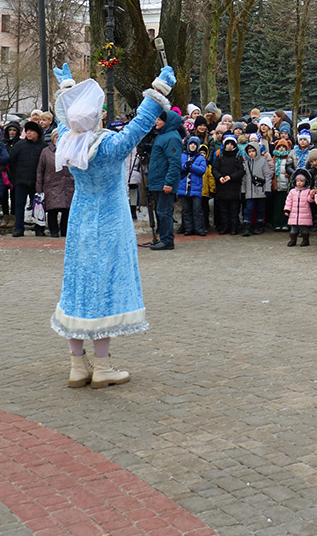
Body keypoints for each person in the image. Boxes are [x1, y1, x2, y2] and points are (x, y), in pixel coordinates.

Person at [49, 62, 175, 389]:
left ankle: (78, 366)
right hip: (110, 222)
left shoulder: (68, 140)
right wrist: (159, 88)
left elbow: (65, 120)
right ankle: (102, 368)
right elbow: (142, 122)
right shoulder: (109, 147)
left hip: (80, 221)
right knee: (104, 288)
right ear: (97, 116)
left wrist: (67, 88)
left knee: (77, 284)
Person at [147, 109, 184, 250]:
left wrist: (169, 182)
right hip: (159, 180)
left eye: (160, 119)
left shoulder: (171, 137)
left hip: (164, 182)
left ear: (167, 122)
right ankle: (163, 238)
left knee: (164, 211)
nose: (157, 121)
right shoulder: (163, 136)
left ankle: (167, 240)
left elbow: (174, 162)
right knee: (160, 211)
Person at [8, 121, 46, 237]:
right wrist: (14, 178)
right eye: (27, 131)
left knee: (38, 205)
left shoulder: (43, 147)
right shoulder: (20, 145)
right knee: (19, 205)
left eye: (31, 131)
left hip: (37, 182)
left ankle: (39, 228)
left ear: (37, 133)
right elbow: (11, 162)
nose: (28, 133)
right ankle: (18, 228)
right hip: (20, 181)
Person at [36, 131, 75, 237]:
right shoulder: (46, 152)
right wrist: (39, 188)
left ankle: (64, 230)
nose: (59, 139)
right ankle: (53, 230)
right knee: (52, 209)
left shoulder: (70, 151)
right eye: (57, 137)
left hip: (68, 184)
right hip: (51, 184)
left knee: (67, 210)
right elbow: (40, 170)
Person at [212, 135, 245, 236]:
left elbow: (241, 171)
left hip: (234, 187)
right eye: (228, 144)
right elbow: (214, 169)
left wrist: (231, 177)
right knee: (223, 209)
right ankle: (225, 227)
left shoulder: (238, 157)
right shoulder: (220, 157)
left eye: (231, 144)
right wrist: (219, 177)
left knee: (234, 209)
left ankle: (234, 227)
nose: (229, 146)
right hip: (222, 187)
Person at [178, 137, 208, 237]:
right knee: (186, 210)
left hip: (196, 188)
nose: (193, 146)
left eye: (195, 145)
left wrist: (192, 167)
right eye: (191, 144)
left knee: (197, 210)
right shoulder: (183, 156)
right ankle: (188, 228)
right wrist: (184, 166)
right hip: (183, 188)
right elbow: (178, 167)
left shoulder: (200, 158)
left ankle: (199, 229)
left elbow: (202, 170)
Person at [241, 142, 270, 236]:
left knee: (260, 209)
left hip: (260, 190)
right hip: (249, 191)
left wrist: (267, 189)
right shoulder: (246, 163)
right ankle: (247, 226)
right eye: (249, 152)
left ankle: (259, 225)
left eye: (253, 151)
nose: (251, 153)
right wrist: (243, 191)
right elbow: (244, 179)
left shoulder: (263, 162)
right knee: (248, 209)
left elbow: (267, 176)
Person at [285, 169, 314, 246]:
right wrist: (287, 210)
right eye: (297, 181)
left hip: (304, 214)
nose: (299, 183)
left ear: (305, 182)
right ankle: (293, 240)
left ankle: (305, 240)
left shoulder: (307, 191)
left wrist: (311, 195)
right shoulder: (292, 191)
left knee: (304, 229)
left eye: (301, 181)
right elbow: (289, 201)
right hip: (294, 214)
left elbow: (310, 200)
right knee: (293, 229)